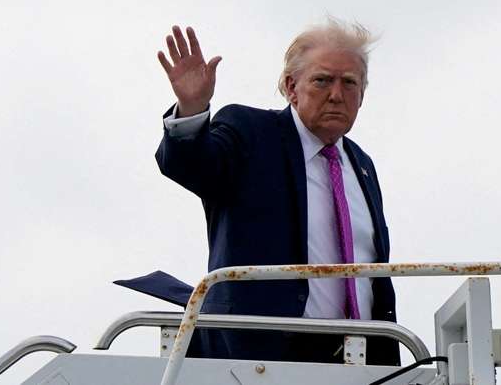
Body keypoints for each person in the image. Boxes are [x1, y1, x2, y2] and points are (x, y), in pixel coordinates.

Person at [121, 20, 398, 365]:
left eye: (349, 83)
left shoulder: (362, 165)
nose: (336, 94)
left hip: (361, 359)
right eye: (322, 80)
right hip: (263, 355)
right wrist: (192, 109)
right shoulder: (251, 132)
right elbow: (192, 165)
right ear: (291, 87)